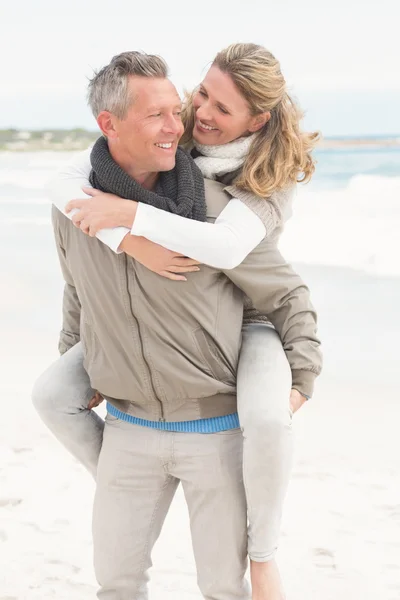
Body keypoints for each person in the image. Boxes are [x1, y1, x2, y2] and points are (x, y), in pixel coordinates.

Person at [34, 46, 322, 600]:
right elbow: (78, 288)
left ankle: (265, 555)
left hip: (229, 382)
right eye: (198, 98)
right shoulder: (81, 202)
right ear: (110, 124)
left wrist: (303, 373)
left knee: (265, 428)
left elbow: (279, 287)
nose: (190, 118)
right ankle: (129, 483)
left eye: (219, 107)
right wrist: (83, 350)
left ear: (256, 121)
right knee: (51, 394)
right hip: (128, 429)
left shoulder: (237, 199)